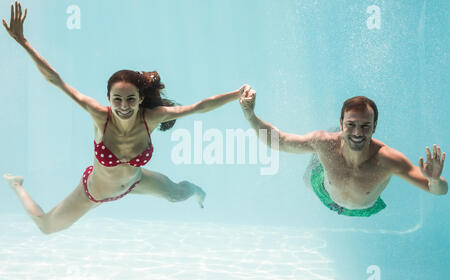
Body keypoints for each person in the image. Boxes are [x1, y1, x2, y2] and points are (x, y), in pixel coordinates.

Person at [2, 1, 249, 234]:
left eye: (130, 99)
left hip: (137, 181)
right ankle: (17, 185)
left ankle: (196, 190)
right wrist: (24, 43)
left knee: (176, 194)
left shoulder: (151, 118)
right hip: (95, 191)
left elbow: (199, 107)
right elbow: (56, 80)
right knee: (47, 227)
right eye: (116, 99)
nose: (123, 106)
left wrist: (237, 94)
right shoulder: (100, 116)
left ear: (140, 98)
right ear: (108, 98)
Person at [239, 87, 447, 217]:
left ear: (375, 127)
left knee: (321, 147)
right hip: (325, 192)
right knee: (315, 163)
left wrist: (435, 179)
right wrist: (251, 116)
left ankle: (320, 155)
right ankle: (320, 156)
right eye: (351, 125)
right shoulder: (325, 142)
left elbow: (438, 190)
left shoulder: (389, 160)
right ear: (341, 123)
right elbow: (280, 141)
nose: (358, 132)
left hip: (364, 209)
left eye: (365, 126)